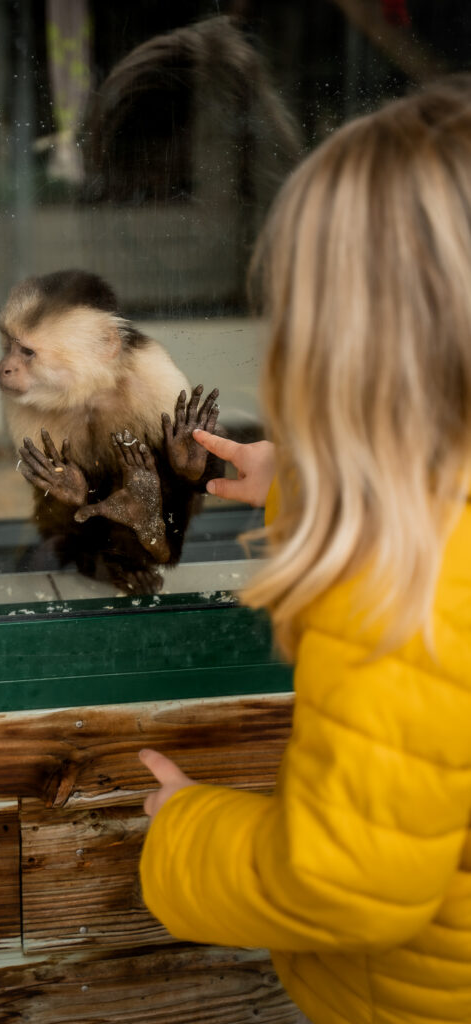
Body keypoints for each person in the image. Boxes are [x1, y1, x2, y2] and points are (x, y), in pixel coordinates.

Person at [139, 76, 471, 1024]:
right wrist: (316, 482)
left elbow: (351, 886)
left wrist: (185, 836)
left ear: (336, 349)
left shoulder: (390, 595)